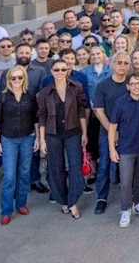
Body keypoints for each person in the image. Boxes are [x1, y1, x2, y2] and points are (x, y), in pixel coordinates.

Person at [36, 58, 89, 218]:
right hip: (53, 134)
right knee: (56, 169)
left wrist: (84, 132)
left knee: (75, 167)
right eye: (57, 69)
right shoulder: (45, 92)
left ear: (68, 71)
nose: (60, 72)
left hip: (73, 132)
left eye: (63, 69)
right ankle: (64, 200)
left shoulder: (76, 87)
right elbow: (42, 117)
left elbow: (81, 111)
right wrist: (42, 139)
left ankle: (73, 202)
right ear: (51, 71)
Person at [107, 74, 139, 229]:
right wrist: (111, 149)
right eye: (133, 84)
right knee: (126, 180)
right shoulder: (120, 102)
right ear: (127, 86)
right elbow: (112, 127)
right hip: (126, 148)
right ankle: (126, 209)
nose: (137, 86)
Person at [0, 63, 38, 225]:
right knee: (9, 176)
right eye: (13, 78)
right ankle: (6, 211)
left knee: (24, 173)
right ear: (8, 79)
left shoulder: (29, 95)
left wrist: (38, 138)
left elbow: (36, 118)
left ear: (24, 78)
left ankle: (21, 203)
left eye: (20, 77)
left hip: (27, 137)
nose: (17, 80)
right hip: (8, 139)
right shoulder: (2, 97)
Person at [91, 52, 132, 214]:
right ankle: (102, 198)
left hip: (129, 133)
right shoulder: (103, 86)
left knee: (128, 167)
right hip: (106, 133)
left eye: (126, 63)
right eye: (119, 62)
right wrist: (112, 132)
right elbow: (99, 111)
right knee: (104, 167)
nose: (122, 66)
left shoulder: (132, 84)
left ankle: (131, 198)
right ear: (112, 64)